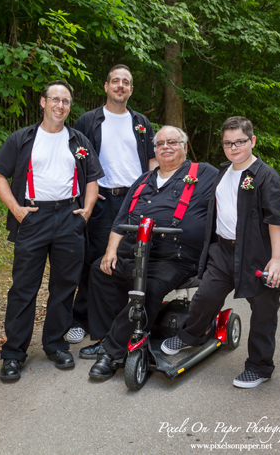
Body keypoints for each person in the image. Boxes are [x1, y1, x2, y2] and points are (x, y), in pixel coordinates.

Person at [161, 117, 280, 388]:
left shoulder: (266, 177)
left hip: (258, 255)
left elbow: (276, 221)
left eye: (240, 142)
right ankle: (189, 337)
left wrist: (276, 260)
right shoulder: (222, 173)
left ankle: (259, 367)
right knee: (205, 296)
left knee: (264, 310)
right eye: (228, 143)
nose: (234, 148)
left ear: (252, 141)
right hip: (223, 250)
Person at [81, 125, 218, 380]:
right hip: (135, 249)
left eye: (172, 142)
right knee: (100, 270)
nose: (165, 147)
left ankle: (110, 353)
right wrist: (111, 251)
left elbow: (232, 191)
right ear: (154, 150)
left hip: (175, 256)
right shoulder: (144, 179)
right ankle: (106, 336)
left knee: (149, 288)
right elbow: (121, 218)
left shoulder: (205, 174)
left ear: (185, 147)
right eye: (160, 143)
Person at [0, 80, 103, 382]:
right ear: (42, 102)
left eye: (66, 101)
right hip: (34, 216)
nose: (60, 106)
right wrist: (16, 209)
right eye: (55, 99)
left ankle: (55, 344)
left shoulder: (78, 140)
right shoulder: (22, 138)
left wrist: (87, 211)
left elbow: (92, 178)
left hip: (69, 216)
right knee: (24, 286)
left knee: (65, 285)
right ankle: (13, 353)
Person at [66, 64, 157, 344]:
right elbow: (73, 160)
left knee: (132, 258)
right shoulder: (88, 121)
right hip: (102, 199)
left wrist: (152, 195)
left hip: (135, 200)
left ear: (131, 89)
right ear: (106, 86)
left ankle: (119, 317)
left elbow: (153, 163)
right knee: (92, 258)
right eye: (115, 81)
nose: (120, 86)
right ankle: (80, 318)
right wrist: (87, 193)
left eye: (126, 82)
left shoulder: (141, 123)